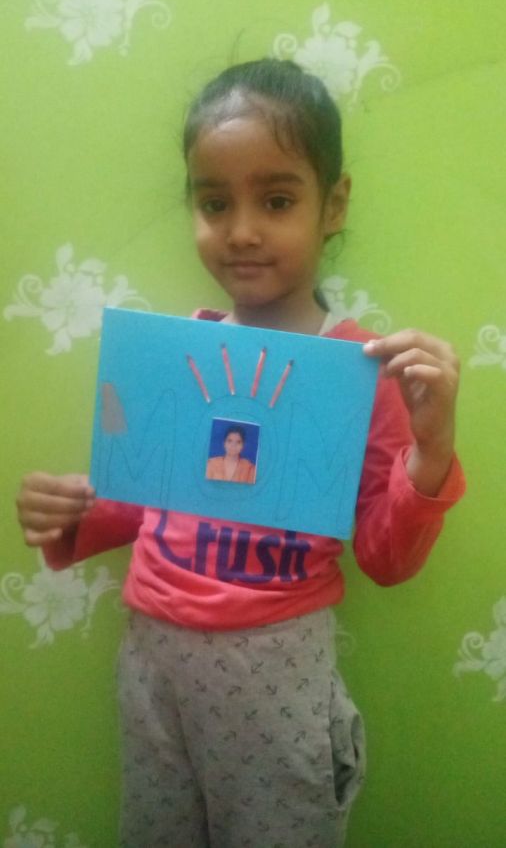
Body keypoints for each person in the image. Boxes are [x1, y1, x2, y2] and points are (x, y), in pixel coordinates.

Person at [16, 59, 465, 848]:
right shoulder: (180, 354)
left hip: (276, 665)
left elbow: (387, 557)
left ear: (334, 204)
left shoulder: (360, 371)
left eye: (278, 200)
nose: (243, 230)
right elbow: (151, 498)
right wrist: (73, 509)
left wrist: (430, 453)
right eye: (214, 202)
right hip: (154, 661)